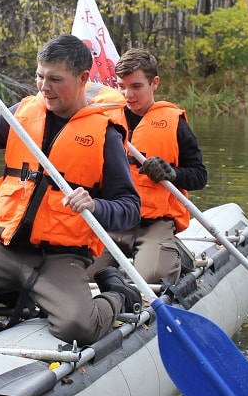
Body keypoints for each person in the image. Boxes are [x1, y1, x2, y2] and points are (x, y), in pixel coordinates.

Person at [0, 35, 143, 346]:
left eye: (55, 79)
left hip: (59, 256)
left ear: (82, 79)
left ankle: (117, 294)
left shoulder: (105, 134)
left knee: (79, 327)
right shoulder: (24, 112)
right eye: (39, 76)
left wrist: (96, 205)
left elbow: (130, 207)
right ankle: (14, 289)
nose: (44, 87)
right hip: (1, 245)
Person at [86, 48, 208, 285]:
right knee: (82, 276)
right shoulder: (104, 119)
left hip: (153, 222)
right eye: (121, 86)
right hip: (113, 217)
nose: (127, 94)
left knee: (153, 278)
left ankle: (175, 255)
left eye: (136, 86)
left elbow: (199, 176)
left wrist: (172, 173)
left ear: (154, 83)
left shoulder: (174, 124)